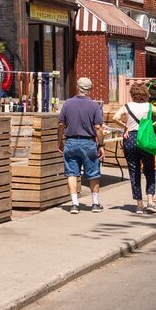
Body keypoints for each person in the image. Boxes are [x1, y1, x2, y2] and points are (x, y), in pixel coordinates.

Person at [112, 82, 156, 214]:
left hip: (130, 138)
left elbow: (115, 118)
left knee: (134, 171)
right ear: (145, 94)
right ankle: (150, 201)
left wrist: (125, 127)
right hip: (145, 138)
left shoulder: (127, 106)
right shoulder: (148, 106)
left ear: (132, 94)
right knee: (149, 170)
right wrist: (151, 124)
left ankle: (139, 205)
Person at [57, 76, 105, 214]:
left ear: (78, 87)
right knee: (93, 174)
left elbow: (61, 124)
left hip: (71, 142)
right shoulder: (94, 105)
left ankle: (74, 204)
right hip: (88, 142)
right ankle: (95, 204)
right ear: (90, 90)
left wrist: (59, 142)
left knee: (72, 173)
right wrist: (101, 145)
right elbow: (98, 128)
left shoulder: (67, 104)